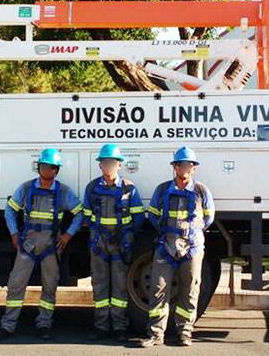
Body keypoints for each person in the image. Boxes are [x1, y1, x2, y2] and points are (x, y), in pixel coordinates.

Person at [0, 148, 84, 341]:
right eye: (43, 166)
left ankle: (44, 324)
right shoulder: (26, 189)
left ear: (56, 170)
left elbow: (79, 213)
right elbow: (10, 211)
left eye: (50, 167)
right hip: (27, 246)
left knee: (49, 287)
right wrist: (14, 233)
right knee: (16, 285)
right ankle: (7, 326)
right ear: (39, 168)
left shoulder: (64, 192)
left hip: (51, 247)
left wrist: (68, 235)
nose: (46, 170)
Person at [142, 146, 215, 347]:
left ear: (193, 168)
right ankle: (156, 334)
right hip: (166, 246)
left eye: (188, 165)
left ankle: (185, 332)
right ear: (174, 167)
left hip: (192, 248)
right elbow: (153, 215)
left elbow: (209, 218)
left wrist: (192, 235)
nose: (184, 168)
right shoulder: (162, 189)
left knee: (190, 290)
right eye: (180, 164)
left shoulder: (201, 191)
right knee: (158, 289)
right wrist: (168, 234)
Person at [83, 144, 145, 342]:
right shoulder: (92, 188)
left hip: (120, 245)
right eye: (105, 163)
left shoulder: (130, 188)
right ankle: (101, 326)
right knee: (99, 286)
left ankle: (119, 327)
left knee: (119, 287)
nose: (108, 166)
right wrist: (95, 236)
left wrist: (128, 237)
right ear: (100, 166)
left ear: (119, 165)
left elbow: (138, 217)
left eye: (112, 163)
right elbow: (86, 215)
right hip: (99, 245)